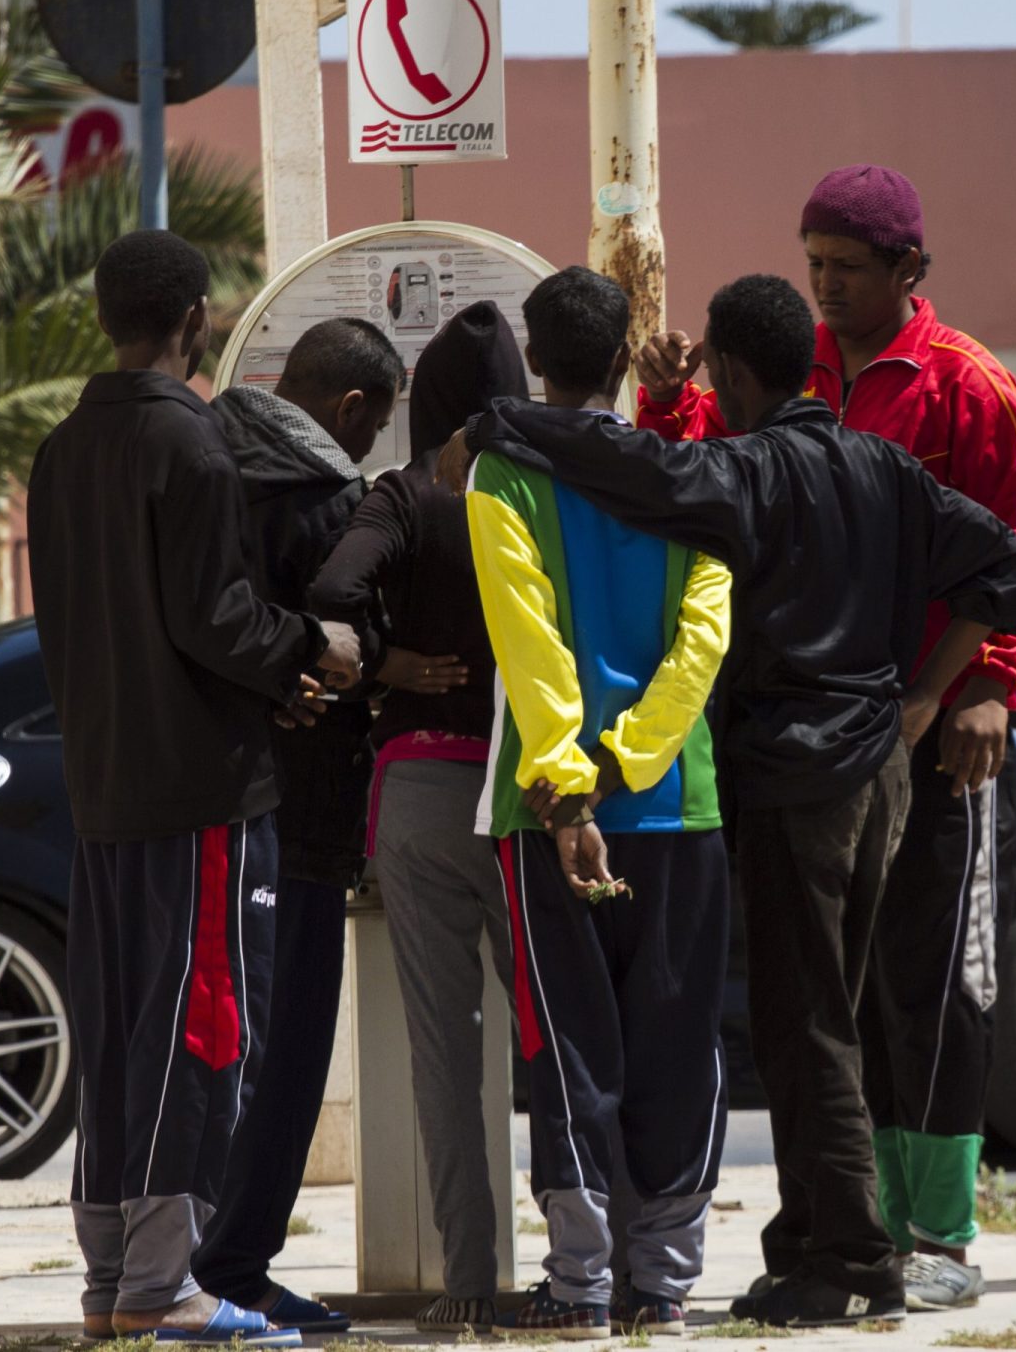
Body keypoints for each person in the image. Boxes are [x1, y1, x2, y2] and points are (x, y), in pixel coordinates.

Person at [441, 273, 1016, 1327]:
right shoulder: (889, 469)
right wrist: (924, 694)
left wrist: (503, 418)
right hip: (881, 769)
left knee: (803, 1020)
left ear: (728, 368)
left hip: (790, 776)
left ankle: (852, 1259)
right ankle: (814, 1239)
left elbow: (621, 458)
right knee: (839, 1010)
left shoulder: (739, 474)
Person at [631, 165, 1016, 1309]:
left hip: (934, 737)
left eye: (849, 268)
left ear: (910, 270)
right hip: (831, 741)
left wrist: (975, 688)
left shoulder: (971, 387)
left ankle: (941, 1232)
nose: (826, 286)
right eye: (813, 262)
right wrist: (670, 399)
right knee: (832, 998)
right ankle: (851, 1224)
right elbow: (709, 489)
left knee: (930, 987)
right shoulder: (791, 378)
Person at [25, 230, 362, 1345]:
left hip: (105, 785)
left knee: (125, 1030)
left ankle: (115, 1277)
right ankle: (166, 1286)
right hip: (198, 797)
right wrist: (314, 646)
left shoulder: (63, 450)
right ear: (198, 321)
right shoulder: (197, 447)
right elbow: (215, 617)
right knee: (200, 1030)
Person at [463, 267, 734, 1340]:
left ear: (537, 356)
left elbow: (528, 650)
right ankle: (661, 1282)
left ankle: (577, 1288)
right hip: (679, 803)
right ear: (627, 357)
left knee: (567, 1045)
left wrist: (573, 784)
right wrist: (634, 757)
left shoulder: (501, 475)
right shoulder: (691, 472)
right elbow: (702, 640)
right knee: (676, 1036)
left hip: (546, 812)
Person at [306, 301, 529, 1335]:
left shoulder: (403, 494)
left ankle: (469, 1281)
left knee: (447, 1050)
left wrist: (387, 660)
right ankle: (595, 1267)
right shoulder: (547, 494)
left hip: (419, 792)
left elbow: (332, 584)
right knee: (565, 1035)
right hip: (535, 795)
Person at [189, 316, 405, 1333]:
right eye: (372, 431)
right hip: (303, 813)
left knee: (221, 1038)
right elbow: (354, 640)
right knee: (289, 1041)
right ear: (351, 409)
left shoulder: (204, 470)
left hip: (206, 800)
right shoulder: (324, 501)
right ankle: (237, 1261)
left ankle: (201, 1254)